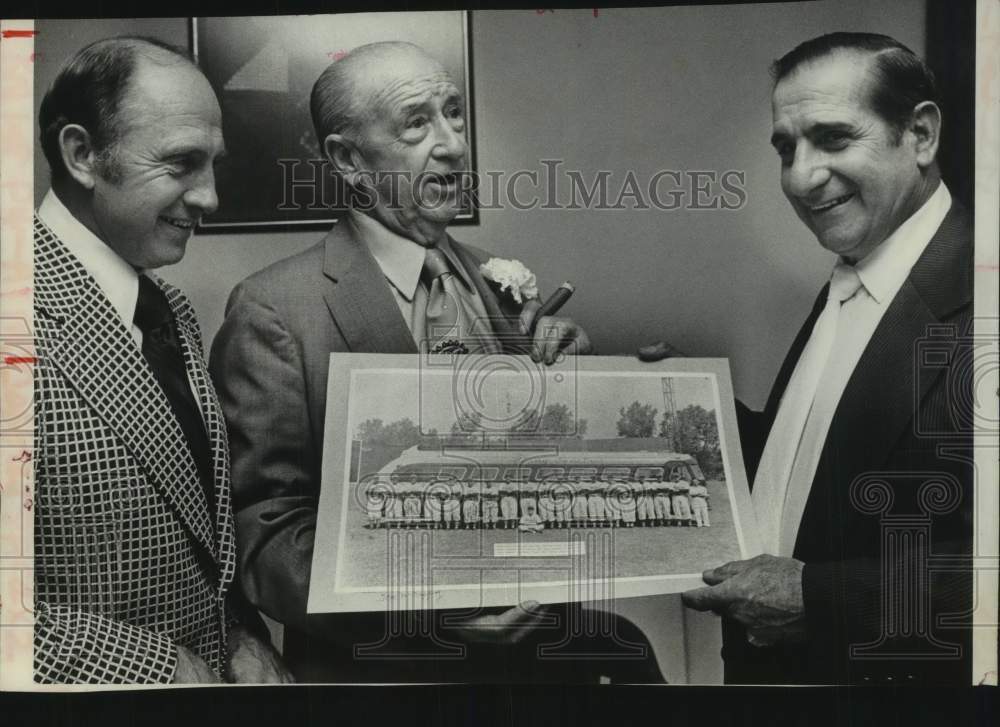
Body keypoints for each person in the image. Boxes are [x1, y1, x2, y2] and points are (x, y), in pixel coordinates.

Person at [211, 42, 660, 683]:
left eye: (454, 113)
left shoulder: (497, 282)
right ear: (348, 159)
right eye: (417, 123)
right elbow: (264, 535)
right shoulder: (275, 309)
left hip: (534, 668)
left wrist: (575, 397)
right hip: (384, 678)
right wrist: (421, 610)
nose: (452, 145)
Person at [644, 33, 973, 684]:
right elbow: (820, 467)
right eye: (787, 147)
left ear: (922, 135)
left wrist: (818, 597)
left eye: (833, 138)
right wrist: (684, 403)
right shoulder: (856, 272)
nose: (800, 176)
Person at [32, 37, 290, 684]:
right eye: (180, 164)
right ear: (82, 154)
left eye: (213, 166)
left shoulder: (169, 307)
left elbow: (198, 537)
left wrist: (236, 632)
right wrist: (156, 666)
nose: (208, 198)